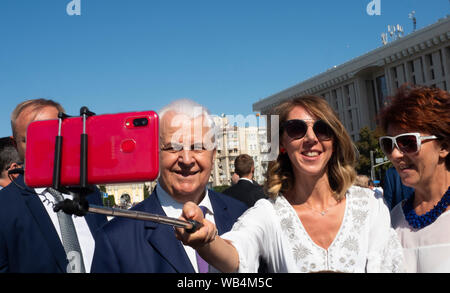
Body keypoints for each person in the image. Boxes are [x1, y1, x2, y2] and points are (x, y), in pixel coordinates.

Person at [176, 95, 404, 273]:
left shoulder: (371, 205)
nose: (311, 138)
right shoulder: (269, 213)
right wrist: (206, 241)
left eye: (322, 129)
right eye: (297, 129)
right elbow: (236, 254)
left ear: (333, 140)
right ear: (282, 143)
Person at [91, 99, 247, 273]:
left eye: (198, 147)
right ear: (155, 153)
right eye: (173, 147)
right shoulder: (115, 239)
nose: (186, 160)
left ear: (213, 155)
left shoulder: (243, 215)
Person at [0, 99, 108, 273]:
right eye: (33, 138)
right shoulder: (4, 207)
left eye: (53, 134)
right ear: (15, 145)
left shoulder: (90, 192)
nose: (46, 145)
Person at [378, 85, 450, 273]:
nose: (395, 154)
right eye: (388, 144)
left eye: (407, 142)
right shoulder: (391, 221)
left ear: (444, 146)